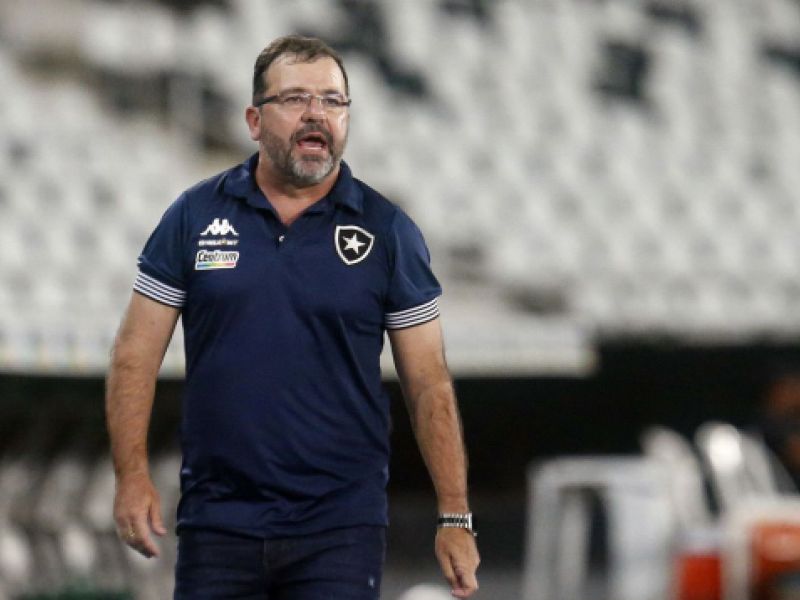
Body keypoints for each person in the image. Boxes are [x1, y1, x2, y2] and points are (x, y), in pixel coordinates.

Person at [105, 34, 480, 599]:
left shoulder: (387, 231)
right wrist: (131, 475)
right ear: (254, 121)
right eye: (296, 98)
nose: (316, 114)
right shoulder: (194, 216)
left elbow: (428, 380)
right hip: (217, 521)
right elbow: (135, 353)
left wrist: (454, 515)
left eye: (332, 101)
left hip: (340, 527)